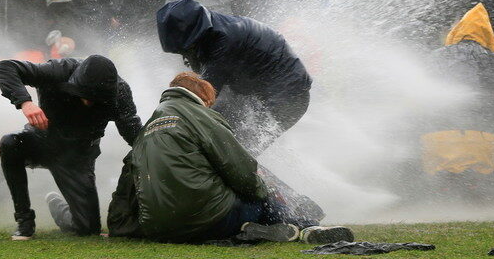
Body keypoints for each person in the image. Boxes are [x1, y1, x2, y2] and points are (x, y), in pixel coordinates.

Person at [123, 71, 352, 244]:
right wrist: (264, 195)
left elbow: (126, 192)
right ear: (203, 97)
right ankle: (308, 226)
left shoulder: (144, 132)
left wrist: (120, 227)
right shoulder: (203, 117)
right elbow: (242, 171)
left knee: (246, 185)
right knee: (262, 178)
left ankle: (252, 229)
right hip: (210, 221)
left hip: (160, 231)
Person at [0, 55, 142, 240]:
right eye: (85, 95)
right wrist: (25, 102)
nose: (88, 102)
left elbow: (131, 129)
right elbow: (4, 67)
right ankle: (24, 220)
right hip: (41, 141)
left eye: (96, 99)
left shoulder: (121, 92)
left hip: (77, 156)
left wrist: (152, 151)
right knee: (10, 144)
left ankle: (59, 208)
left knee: (88, 230)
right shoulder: (58, 71)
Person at [156, 0, 312, 154]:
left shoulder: (224, 42)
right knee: (220, 129)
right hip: (255, 90)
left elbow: (202, 97)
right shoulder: (208, 29)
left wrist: (172, 127)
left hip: (290, 96)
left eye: (186, 49)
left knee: (237, 148)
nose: (184, 55)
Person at [421, 3, 494, 201]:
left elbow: (414, 99)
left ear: (455, 32)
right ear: (488, 35)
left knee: (440, 195)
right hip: (480, 141)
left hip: (438, 140)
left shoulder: (434, 58)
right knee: (476, 196)